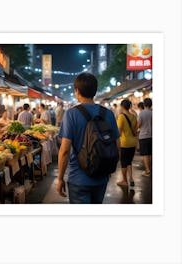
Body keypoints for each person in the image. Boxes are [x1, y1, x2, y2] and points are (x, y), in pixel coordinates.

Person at [57, 72, 120, 204]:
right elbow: (116, 145)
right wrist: (108, 168)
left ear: (77, 90)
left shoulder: (71, 114)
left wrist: (60, 178)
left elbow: (65, 151)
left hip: (78, 179)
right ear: (95, 91)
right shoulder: (108, 114)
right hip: (101, 177)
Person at [116, 99, 137, 187]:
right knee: (129, 162)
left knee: (124, 162)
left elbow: (119, 133)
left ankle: (124, 180)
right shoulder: (133, 116)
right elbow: (135, 131)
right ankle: (131, 178)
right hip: (133, 142)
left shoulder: (121, 117)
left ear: (122, 106)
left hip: (124, 143)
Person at [138, 97, 152, 177]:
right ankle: (150, 169)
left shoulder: (142, 113)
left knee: (145, 154)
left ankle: (147, 171)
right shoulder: (153, 112)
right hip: (152, 136)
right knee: (151, 153)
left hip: (144, 136)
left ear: (144, 104)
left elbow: (139, 124)